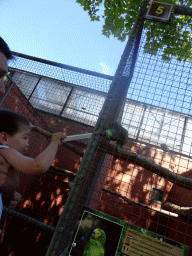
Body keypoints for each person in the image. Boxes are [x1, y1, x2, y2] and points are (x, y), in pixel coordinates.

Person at [0, 109, 66, 223]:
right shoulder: (4, 150)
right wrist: (54, 143)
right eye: (24, 137)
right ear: (4, 138)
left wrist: (10, 194)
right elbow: (38, 166)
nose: (27, 143)